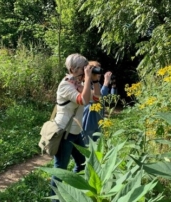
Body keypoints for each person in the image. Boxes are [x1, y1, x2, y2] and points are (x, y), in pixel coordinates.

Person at [50, 54, 100, 201]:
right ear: (72, 69)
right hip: (64, 133)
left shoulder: (76, 83)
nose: (85, 70)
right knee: (60, 171)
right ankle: (54, 199)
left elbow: (96, 98)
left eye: (86, 67)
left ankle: (74, 193)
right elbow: (84, 100)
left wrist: (95, 80)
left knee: (83, 164)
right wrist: (88, 78)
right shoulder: (66, 85)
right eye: (82, 68)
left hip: (75, 132)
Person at [81, 61, 117, 145]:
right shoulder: (84, 85)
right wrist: (106, 83)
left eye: (99, 70)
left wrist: (113, 86)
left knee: (97, 148)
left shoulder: (99, 86)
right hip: (88, 122)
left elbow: (110, 100)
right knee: (86, 147)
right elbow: (98, 98)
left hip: (98, 121)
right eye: (96, 70)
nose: (99, 73)